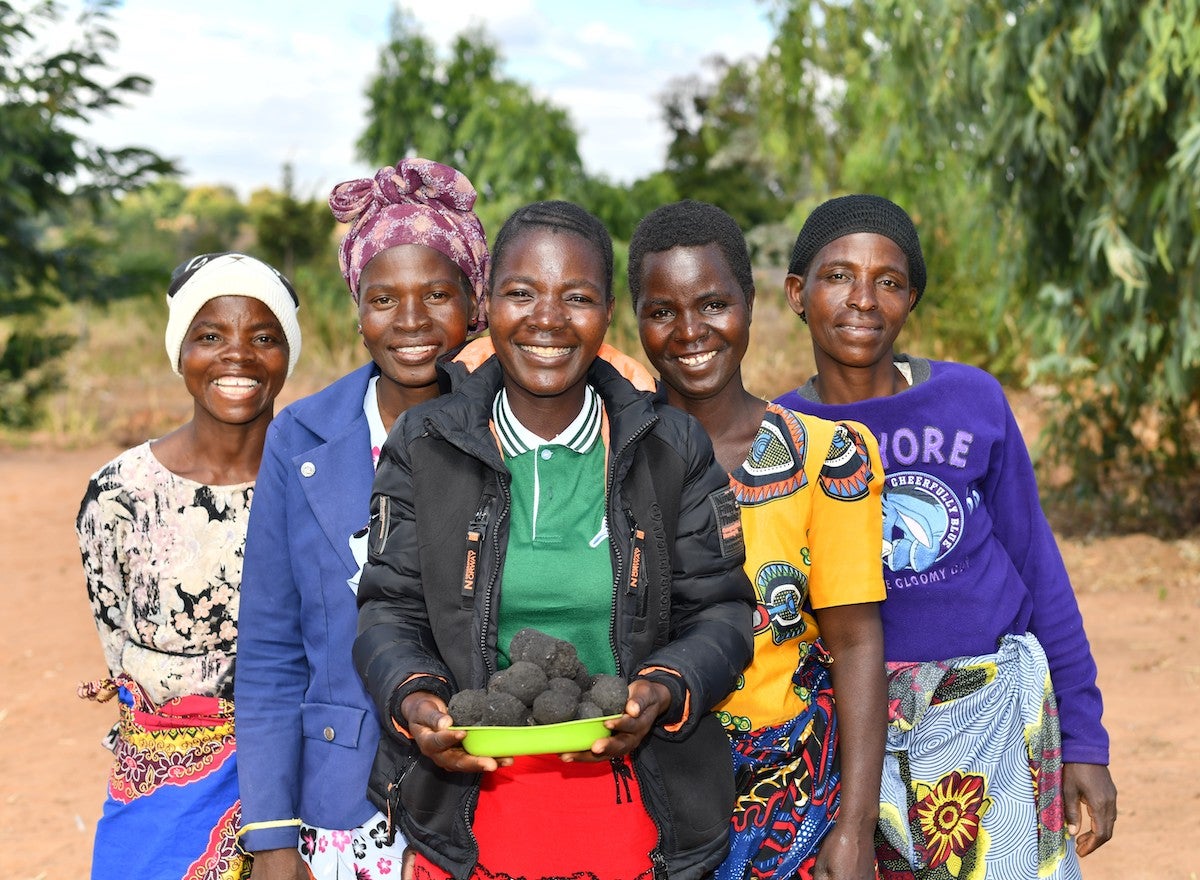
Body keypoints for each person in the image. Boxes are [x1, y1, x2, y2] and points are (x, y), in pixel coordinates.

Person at [353, 200, 756, 880]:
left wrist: (660, 689)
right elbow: (388, 610)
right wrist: (415, 697)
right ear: (488, 304)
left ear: (606, 315)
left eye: (577, 296)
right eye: (521, 293)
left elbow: (720, 610)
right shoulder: (424, 446)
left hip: (637, 806)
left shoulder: (668, 446)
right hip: (471, 809)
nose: (547, 319)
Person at [774, 194, 1118, 878]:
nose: (863, 299)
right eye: (839, 275)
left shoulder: (971, 400)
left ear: (912, 301)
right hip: (854, 734)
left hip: (991, 725)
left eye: (890, 282)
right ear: (797, 293)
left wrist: (1085, 740)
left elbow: (1038, 569)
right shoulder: (780, 437)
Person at [234, 157, 490, 879]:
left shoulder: (514, 427)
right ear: (356, 310)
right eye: (384, 298)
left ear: (474, 303)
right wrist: (275, 841)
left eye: (437, 293)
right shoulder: (301, 438)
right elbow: (270, 654)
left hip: (487, 798)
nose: (410, 321)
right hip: (342, 812)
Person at [630, 199, 887, 880]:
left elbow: (857, 641)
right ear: (636, 321)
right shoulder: (608, 458)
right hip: (649, 801)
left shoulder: (827, 456)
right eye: (662, 311)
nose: (690, 331)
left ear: (750, 302)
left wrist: (856, 828)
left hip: (797, 798)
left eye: (713, 303)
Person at [76, 252, 301, 880]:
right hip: (160, 798)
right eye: (210, 336)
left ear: (289, 354)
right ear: (180, 353)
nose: (239, 356)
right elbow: (117, 648)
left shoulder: (320, 481)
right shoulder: (119, 495)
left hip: (299, 790)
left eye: (264, 337)